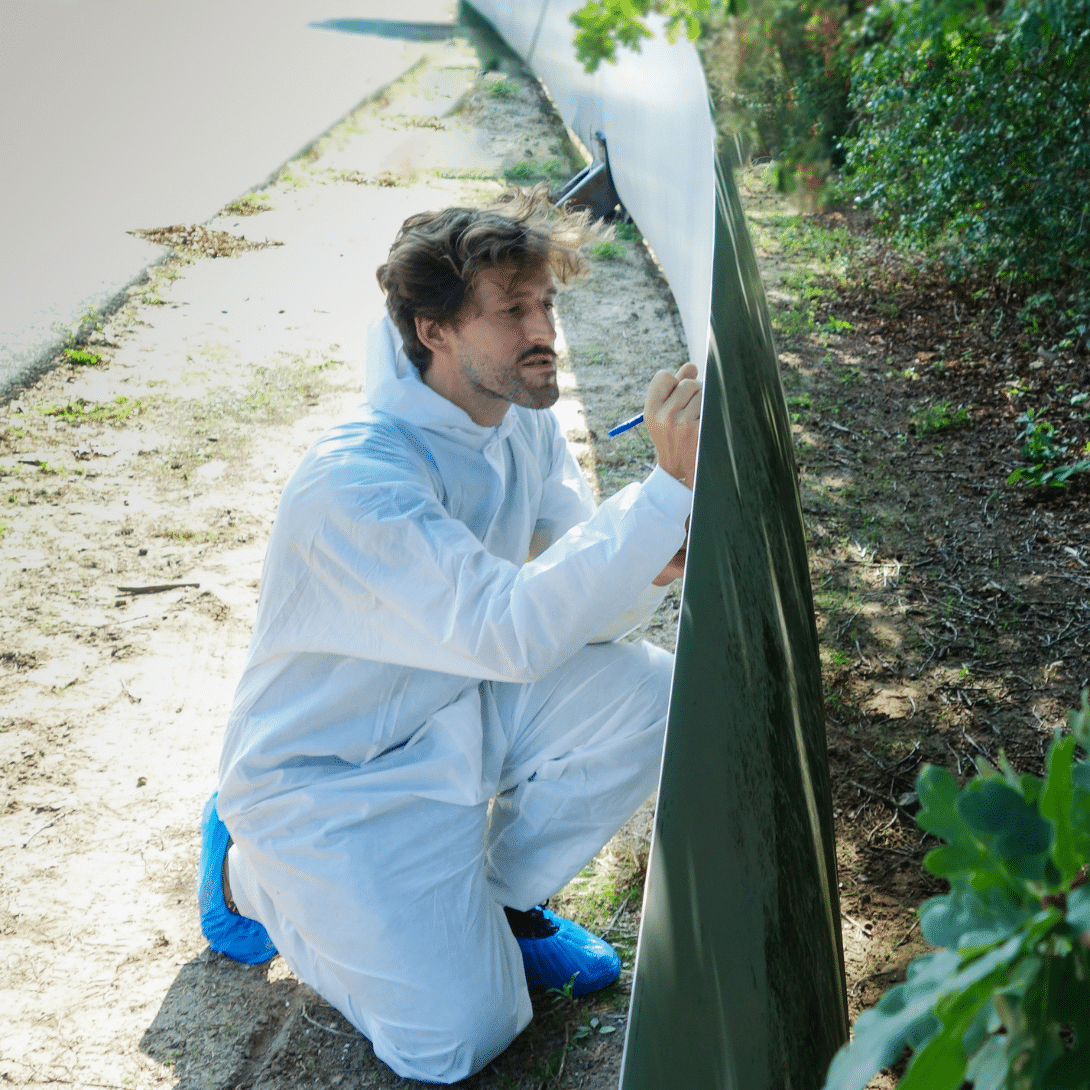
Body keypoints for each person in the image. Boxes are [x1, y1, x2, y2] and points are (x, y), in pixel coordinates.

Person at [197, 188, 701, 1083]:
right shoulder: (357, 479)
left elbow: (576, 615)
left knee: (649, 693)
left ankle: (497, 906)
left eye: (545, 302)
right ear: (434, 330)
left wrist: (646, 559)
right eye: (512, 310)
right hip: (330, 779)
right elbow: (509, 632)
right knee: (462, 1038)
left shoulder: (518, 426)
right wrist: (660, 494)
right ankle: (252, 875)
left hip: (454, 710)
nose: (544, 327)